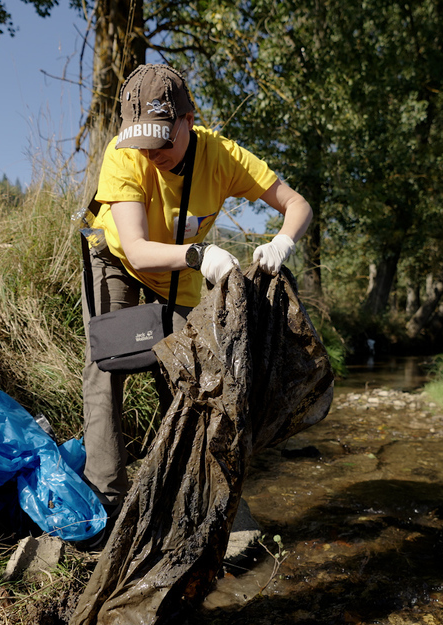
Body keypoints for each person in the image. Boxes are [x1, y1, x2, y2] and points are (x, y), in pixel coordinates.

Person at [80, 63, 312, 546]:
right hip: (119, 261)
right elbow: (140, 249)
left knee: (197, 374)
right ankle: (106, 501)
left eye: (163, 139)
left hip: (180, 273)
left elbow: (298, 205)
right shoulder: (125, 157)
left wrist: (282, 242)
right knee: (107, 368)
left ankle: (196, 494)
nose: (152, 153)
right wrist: (199, 254)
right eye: (142, 141)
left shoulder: (223, 157)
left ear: (189, 121)